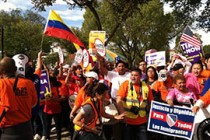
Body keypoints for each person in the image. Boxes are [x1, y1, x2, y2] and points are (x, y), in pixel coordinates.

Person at [0, 57, 37, 140]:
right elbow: (33, 104)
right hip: (27, 131)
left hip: (6, 132)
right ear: (16, 69)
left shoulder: (1, 84)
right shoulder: (28, 83)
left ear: (1, 71)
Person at [116, 68, 153, 140]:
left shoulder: (146, 87)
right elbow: (118, 99)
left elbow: (151, 102)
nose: (133, 77)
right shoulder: (126, 84)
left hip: (142, 121)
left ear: (140, 76)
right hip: (128, 121)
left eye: (135, 75)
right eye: (132, 75)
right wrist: (122, 113)